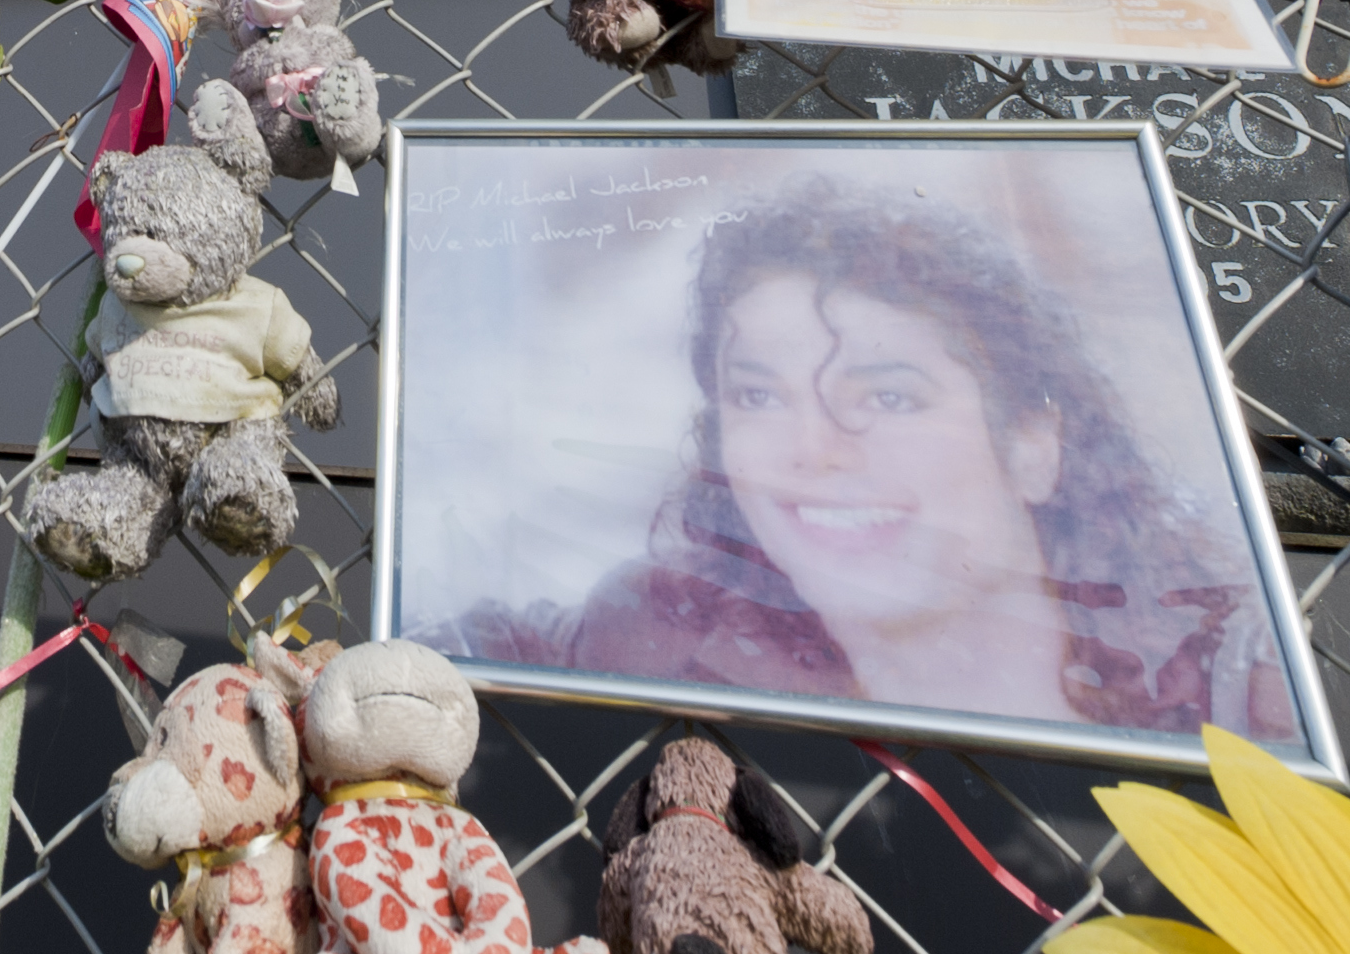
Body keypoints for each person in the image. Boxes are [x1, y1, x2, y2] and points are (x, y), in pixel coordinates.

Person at [428, 182, 1298, 741]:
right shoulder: (668, 638)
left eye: (889, 395)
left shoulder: (1240, 695)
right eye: (759, 395)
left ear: (1034, 445)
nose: (812, 452)